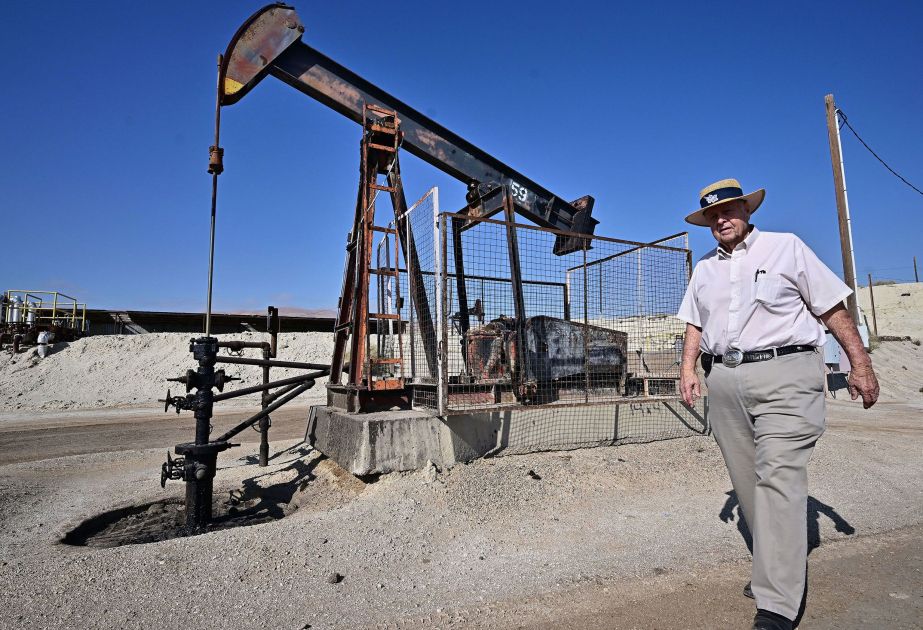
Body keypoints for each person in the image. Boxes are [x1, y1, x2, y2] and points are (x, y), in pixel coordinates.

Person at [676, 178, 879, 630]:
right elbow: (694, 323)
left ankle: (777, 603)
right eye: (712, 215)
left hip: (786, 375)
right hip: (724, 379)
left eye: (728, 210)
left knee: (778, 477)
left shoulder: (786, 248)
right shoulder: (705, 268)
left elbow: (832, 308)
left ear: (747, 210)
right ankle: (775, 565)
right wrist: (688, 369)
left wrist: (860, 363)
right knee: (748, 483)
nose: (721, 220)